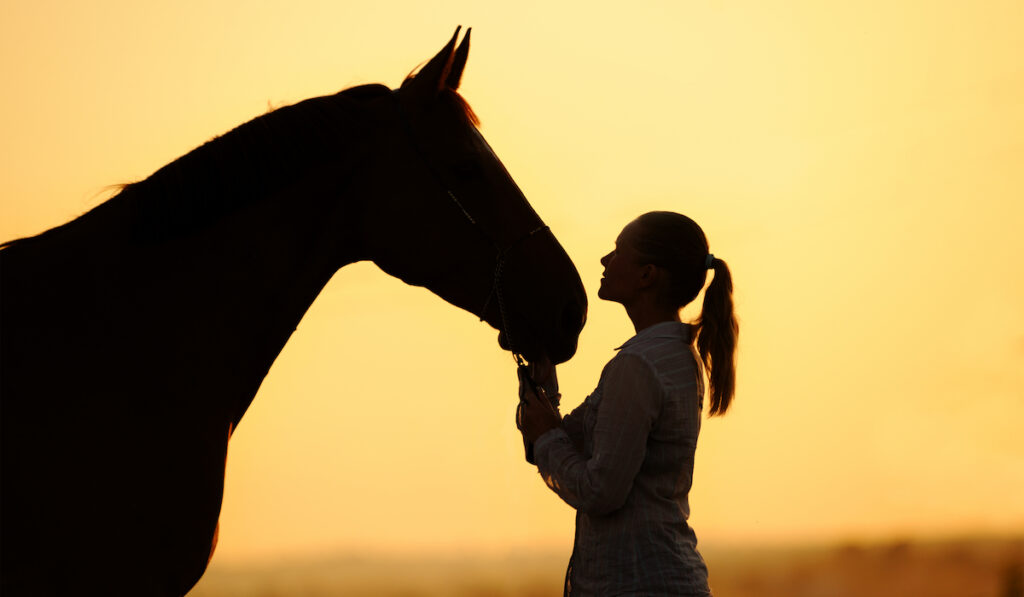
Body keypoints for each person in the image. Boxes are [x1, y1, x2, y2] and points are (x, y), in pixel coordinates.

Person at [517, 211, 738, 597]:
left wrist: (546, 437)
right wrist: (544, 383)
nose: (605, 261)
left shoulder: (637, 366)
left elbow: (600, 490)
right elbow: (571, 438)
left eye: (618, 252)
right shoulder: (674, 356)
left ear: (646, 275)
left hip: (639, 583)